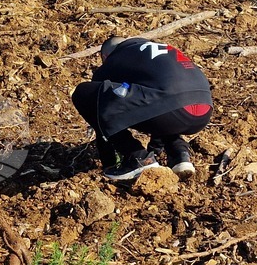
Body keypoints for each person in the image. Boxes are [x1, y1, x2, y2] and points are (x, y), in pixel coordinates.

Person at [72, 35, 213, 181]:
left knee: (84, 93)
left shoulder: (118, 55)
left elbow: (99, 107)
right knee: (154, 100)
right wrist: (156, 148)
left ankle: (137, 158)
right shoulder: (159, 51)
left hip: (170, 109)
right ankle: (179, 154)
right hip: (203, 111)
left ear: (106, 55)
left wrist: (108, 161)